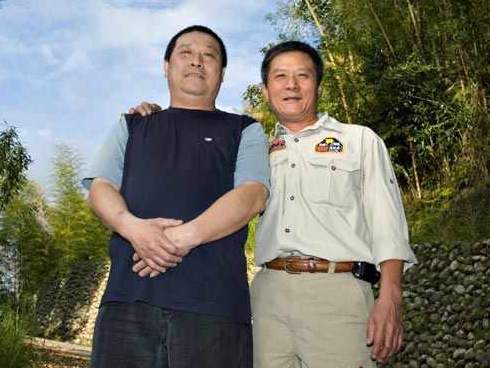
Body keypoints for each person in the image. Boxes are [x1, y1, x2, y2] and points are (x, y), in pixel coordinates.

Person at [131, 40, 417, 366]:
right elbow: (198, 177)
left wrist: (391, 299)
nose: (291, 84)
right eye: (280, 76)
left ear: (319, 87)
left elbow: (388, 225)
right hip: (267, 296)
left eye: (302, 75)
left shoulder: (359, 140)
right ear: (266, 91)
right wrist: (157, 121)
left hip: (337, 294)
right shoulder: (253, 150)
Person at [83, 25, 271, 368]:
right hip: (127, 304)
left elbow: (253, 194)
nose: (197, 61)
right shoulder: (133, 125)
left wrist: (177, 240)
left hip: (215, 309)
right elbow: (100, 189)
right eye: (186, 53)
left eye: (208, 55)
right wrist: (134, 229)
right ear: (166, 66)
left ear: (222, 72)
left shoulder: (245, 129)